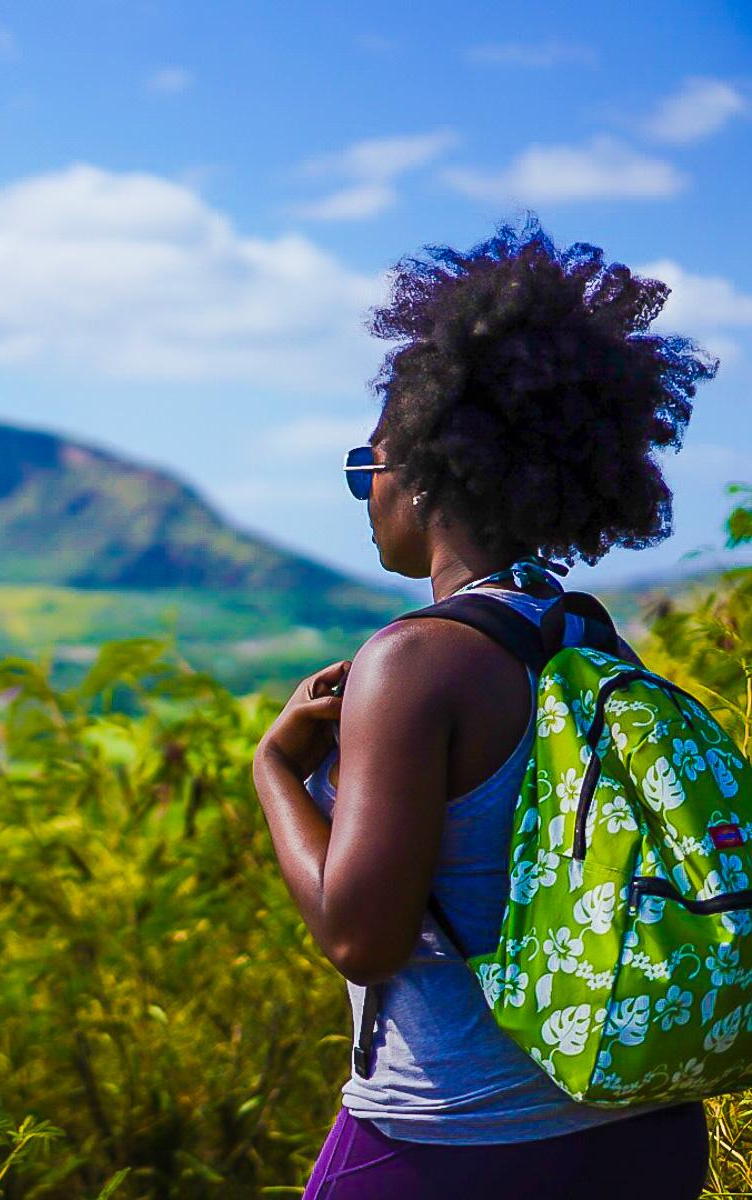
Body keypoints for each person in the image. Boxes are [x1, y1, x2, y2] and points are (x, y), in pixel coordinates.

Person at [252, 220, 719, 1199]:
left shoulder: (412, 661)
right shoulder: (587, 637)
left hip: (452, 1143)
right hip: (641, 1132)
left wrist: (272, 773)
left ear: (420, 469)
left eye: (362, 465)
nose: (360, 492)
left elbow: (358, 937)